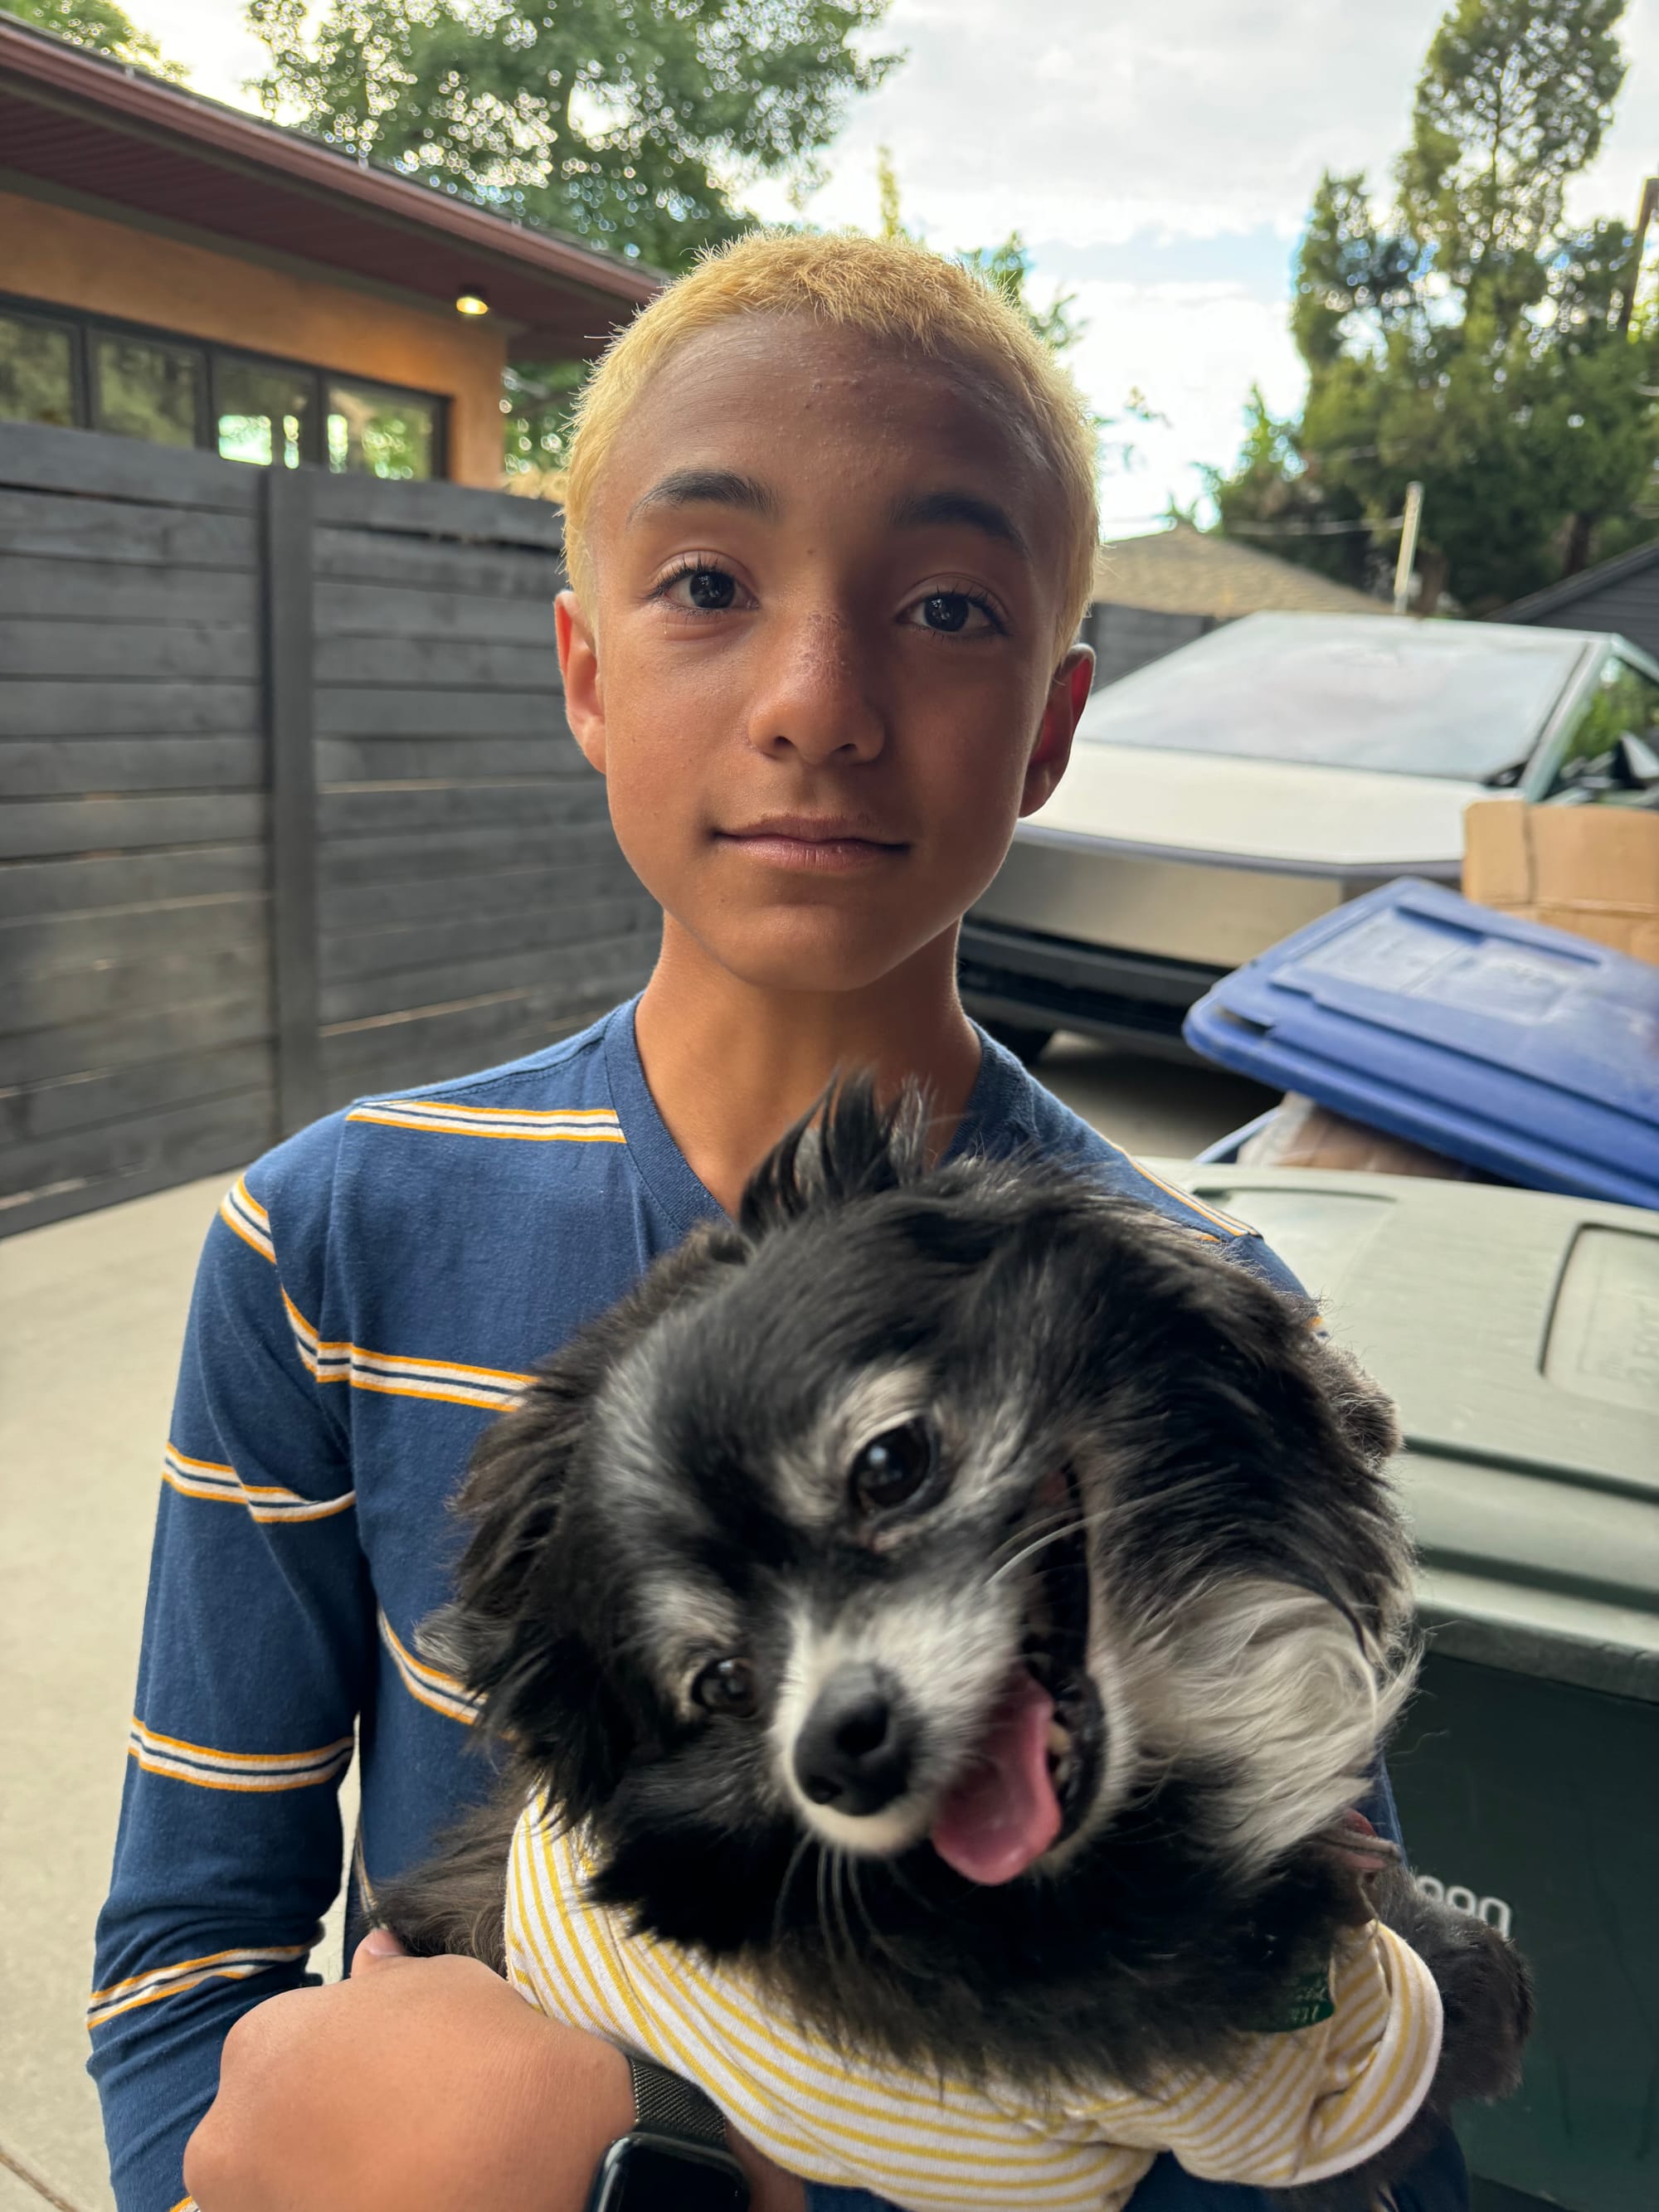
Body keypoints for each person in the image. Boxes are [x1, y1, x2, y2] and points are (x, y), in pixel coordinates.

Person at [91, 231, 1458, 2212]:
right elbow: (187, 1972)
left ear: (1053, 719)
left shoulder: (1197, 1331)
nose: (818, 701)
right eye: (710, 584)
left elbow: (1327, 2077)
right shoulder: (332, 1242)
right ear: (587, 668)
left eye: (945, 605)